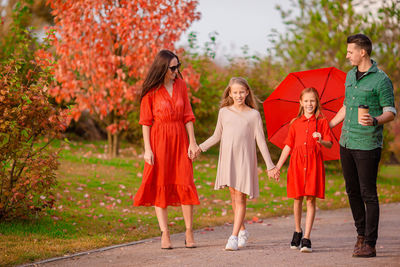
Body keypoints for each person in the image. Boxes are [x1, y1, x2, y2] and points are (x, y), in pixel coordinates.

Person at [329, 34, 396, 257]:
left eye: (350, 52)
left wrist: (375, 120)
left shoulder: (381, 80)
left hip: (367, 144)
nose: (347, 55)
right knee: (352, 191)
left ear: (362, 52)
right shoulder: (350, 76)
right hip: (346, 142)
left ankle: (370, 242)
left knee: (368, 193)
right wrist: (329, 124)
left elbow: (391, 112)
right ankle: (360, 235)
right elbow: (346, 106)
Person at [196, 77, 278, 251]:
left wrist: (270, 165)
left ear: (247, 92)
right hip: (228, 158)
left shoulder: (253, 114)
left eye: (242, 92)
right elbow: (216, 136)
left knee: (240, 197)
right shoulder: (224, 112)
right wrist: (199, 148)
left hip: (244, 159)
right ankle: (242, 230)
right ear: (230, 93)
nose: (239, 95)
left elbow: (261, 142)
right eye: (235, 92)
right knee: (233, 196)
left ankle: (233, 237)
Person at [133, 50, 200, 249]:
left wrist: (193, 142)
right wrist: (147, 149)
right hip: (159, 140)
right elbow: (145, 122)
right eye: (172, 67)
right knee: (160, 183)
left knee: (185, 180)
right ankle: (165, 233)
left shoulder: (181, 85)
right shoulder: (151, 90)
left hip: (180, 138)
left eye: (178, 66)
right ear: (162, 68)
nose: (176, 70)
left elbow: (188, 115)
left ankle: (189, 231)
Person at [275, 87, 333, 253]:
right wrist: (278, 166)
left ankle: (307, 237)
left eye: (312, 101)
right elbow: (288, 145)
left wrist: (321, 139)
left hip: (314, 163)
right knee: (297, 198)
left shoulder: (321, 122)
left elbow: (329, 143)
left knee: (310, 199)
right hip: (297, 164)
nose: (309, 104)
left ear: (317, 103)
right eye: (306, 101)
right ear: (301, 102)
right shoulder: (295, 123)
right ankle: (297, 230)